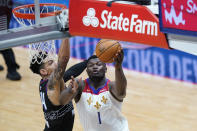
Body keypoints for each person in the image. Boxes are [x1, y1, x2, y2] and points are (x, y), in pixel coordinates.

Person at [60, 48, 129, 131]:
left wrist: (118, 67)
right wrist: (69, 92)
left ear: (105, 69)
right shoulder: (80, 85)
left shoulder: (111, 86)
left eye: (98, 64)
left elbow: (122, 93)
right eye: (91, 65)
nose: (95, 67)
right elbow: (62, 101)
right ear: (87, 71)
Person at [29, 38, 88, 131]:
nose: (55, 63)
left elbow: (71, 72)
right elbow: (63, 60)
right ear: (44, 71)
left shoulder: (49, 81)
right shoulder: (51, 85)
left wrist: (87, 62)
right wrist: (66, 34)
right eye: (50, 63)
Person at [0, 0, 21, 80]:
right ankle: (12, 70)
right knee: (4, 44)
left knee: (3, 40)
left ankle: (12, 70)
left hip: (4, 15)